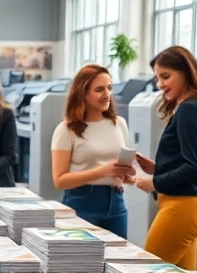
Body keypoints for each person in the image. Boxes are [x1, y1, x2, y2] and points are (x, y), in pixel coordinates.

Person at [132, 46, 197, 271]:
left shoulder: (188, 110)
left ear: (185, 72)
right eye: (157, 78)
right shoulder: (195, 106)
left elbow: (193, 167)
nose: (160, 84)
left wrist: (153, 182)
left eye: (166, 76)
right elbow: (190, 160)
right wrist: (157, 168)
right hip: (191, 206)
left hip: (183, 206)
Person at [52, 64, 136, 236]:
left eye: (109, 88)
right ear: (83, 93)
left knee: (118, 259)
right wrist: (102, 171)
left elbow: (120, 171)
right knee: (83, 262)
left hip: (116, 204)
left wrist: (127, 175)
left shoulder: (119, 124)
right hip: (81, 203)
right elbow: (60, 180)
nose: (107, 95)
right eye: (99, 89)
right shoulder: (66, 129)